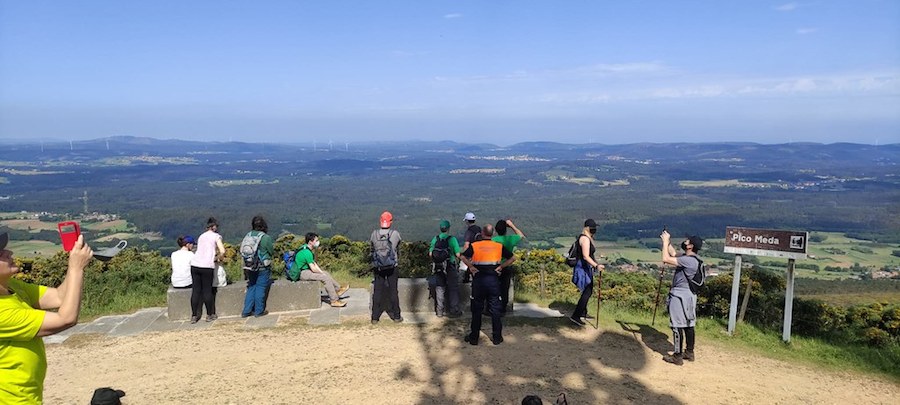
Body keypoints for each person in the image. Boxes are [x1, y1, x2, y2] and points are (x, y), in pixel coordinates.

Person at [0, 232, 93, 403]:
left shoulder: (11, 287)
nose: (9, 253)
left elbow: (58, 296)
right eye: (0, 254)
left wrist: (74, 263)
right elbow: (66, 319)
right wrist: (76, 268)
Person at [459, 225, 516, 345]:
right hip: (493, 280)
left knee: (477, 309)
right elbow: (512, 258)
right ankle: (497, 337)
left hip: (479, 280)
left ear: (482, 233)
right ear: (492, 234)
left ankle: (474, 337)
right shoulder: (498, 246)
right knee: (495, 309)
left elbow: (462, 256)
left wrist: (471, 267)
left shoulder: (475, 245)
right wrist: (501, 266)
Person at [660, 230, 702, 365]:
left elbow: (666, 259)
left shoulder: (688, 261)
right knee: (689, 324)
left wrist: (665, 242)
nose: (685, 242)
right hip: (689, 296)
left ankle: (677, 356)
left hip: (680, 296)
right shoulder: (692, 260)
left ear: (690, 246)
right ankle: (689, 352)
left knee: (677, 325)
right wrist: (667, 241)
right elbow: (672, 253)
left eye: (687, 241)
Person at [188, 217, 225, 323]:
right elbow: (222, 251)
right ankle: (210, 314)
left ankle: (194, 315)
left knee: (196, 291)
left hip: (195, 265)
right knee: (207, 291)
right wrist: (216, 258)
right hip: (207, 266)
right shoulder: (216, 236)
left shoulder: (201, 236)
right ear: (214, 227)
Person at [296, 233, 348, 308]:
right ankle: (334, 300)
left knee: (325, 273)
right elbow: (313, 268)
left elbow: (313, 263)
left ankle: (338, 289)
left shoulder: (305, 248)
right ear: (310, 242)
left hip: (306, 270)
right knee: (325, 278)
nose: (318, 242)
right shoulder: (307, 253)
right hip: (302, 273)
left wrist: (322, 272)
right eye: (316, 240)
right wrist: (321, 274)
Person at [570, 219, 604, 327]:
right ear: (589, 228)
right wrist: (596, 266)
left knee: (587, 290)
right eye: (593, 228)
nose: (595, 230)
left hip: (585, 268)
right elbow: (585, 256)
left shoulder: (585, 237)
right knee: (587, 291)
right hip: (583, 268)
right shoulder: (585, 239)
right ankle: (576, 316)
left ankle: (582, 312)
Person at [370, 211, 402, 323]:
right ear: (391, 221)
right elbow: (398, 246)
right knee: (393, 291)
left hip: (378, 266)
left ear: (380, 221)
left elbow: (372, 248)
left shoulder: (374, 234)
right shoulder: (395, 234)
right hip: (392, 266)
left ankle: (374, 317)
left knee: (377, 291)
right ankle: (397, 316)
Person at [241, 216, 275, 317]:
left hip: (250, 265)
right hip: (262, 266)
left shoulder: (248, 235)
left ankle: (246, 310)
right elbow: (271, 251)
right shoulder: (265, 238)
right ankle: (259, 311)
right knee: (260, 287)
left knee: (251, 286)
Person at [427, 219, 462, 317]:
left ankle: (439, 311)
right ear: (448, 228)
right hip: (450, 265)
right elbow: (458, 254)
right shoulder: (452, 239)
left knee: (440, 288)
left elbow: (430, 254)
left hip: (439, 266)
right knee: (453, 287)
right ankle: (454, 310)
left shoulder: (436, 238)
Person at [492, 218, 525, 315]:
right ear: (505, 230)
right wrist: (512, 226)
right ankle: (503, 309)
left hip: (495, 265)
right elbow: (521, 235)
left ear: (496, 230)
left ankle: (493, 307)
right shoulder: (510, 239)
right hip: (506, 265)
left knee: (494, 287)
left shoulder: (493, 240)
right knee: (505, 288)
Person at [459, 212, 481, 283]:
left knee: (462, 268)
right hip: (480, 253)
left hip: (471, 253)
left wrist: (461, 254)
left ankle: (465, 283)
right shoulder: (479, 229)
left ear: (467, 221)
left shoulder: (469, 231)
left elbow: (466, 245)